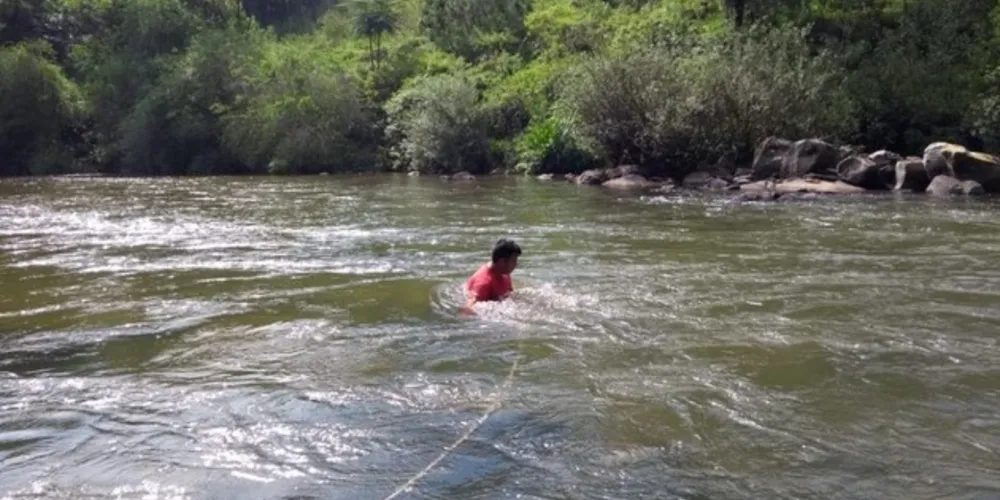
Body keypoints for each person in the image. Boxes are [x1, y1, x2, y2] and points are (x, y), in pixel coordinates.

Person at [461, 238, 521, 314]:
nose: (516, 264)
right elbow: (467, 309)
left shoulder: (504, 272)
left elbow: (510, 294)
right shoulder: (483, 282)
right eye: (514, 261)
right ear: (502, 261)